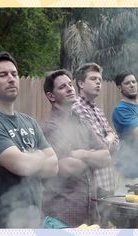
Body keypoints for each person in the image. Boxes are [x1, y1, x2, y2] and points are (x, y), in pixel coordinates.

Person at [0, 51, 58, 228]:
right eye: (3, 75)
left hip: (31, 221)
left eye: (14, 74)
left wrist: (29, 158)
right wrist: (40, 155)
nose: (11, 79)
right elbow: (22, 166)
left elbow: (54, 167)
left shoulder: (29, 121)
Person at [42, 69, 111, 228]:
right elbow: (67, 167)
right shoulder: (50, 127)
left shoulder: (81, 122)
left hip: (89, 217)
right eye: (62, 87)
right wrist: (93, 157)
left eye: (70, 84)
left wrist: (81, 154)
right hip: (61, 219)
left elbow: (106, 157)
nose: (69, 88)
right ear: (51, 96)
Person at [72, 63, 118, 194]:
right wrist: (109, 137)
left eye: (100, 80)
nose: (98, 82)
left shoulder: (97, 110)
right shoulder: (76, 108)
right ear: (81, 84)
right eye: (93, 79)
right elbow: (100, 144)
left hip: (108, 183)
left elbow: (116, 143)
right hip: (92, 186)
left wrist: (108, 139)